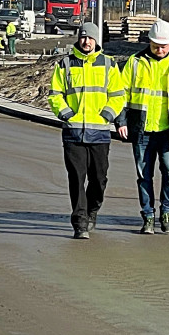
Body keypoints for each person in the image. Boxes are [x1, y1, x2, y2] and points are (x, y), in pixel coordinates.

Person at [116, 19, 169, 234]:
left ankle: (166, 212)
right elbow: (121, 94)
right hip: (142, 130)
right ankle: (148, 216)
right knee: (144, 175)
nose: (160, 50)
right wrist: (121, 121)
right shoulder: (135, 62)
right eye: (156, 46)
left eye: (164, 46)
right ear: (150, 43)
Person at [48, 22, 126, 239]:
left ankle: (93, 209)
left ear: (96, 40)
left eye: (90, 38)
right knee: (76, 176)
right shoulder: (65, 64)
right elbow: (55, 94)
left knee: (99, 178)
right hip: (73, 133)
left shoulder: (109, 64)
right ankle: (80, 221)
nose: (86, 41)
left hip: (99, 132)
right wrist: (66, 114)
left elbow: (118, 95)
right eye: (83, 37)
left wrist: (108, 115)